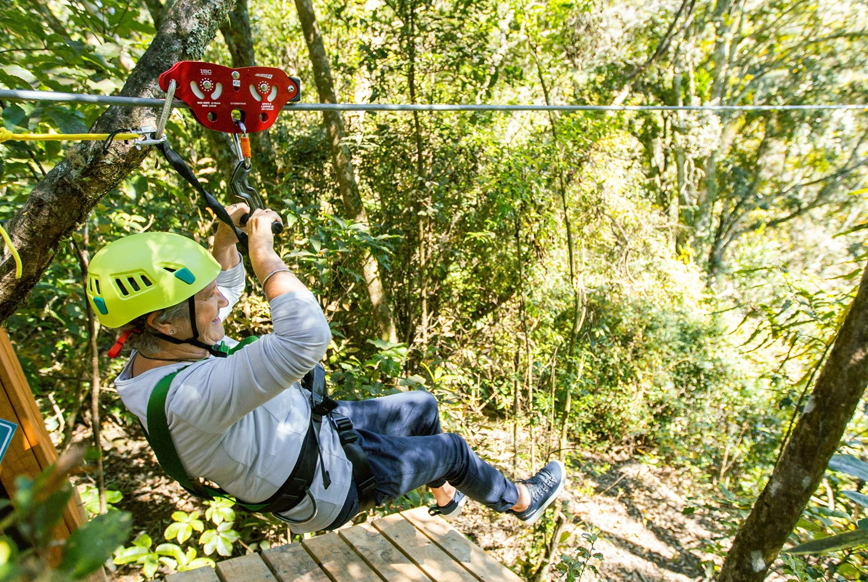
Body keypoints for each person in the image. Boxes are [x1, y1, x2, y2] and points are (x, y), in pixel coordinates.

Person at [88, 203, 565, 533]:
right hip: (325, 483)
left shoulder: (160, 349)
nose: (221, 301)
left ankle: (445, 496)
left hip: (311, 431)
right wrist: (265, 258)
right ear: (164, 323)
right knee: (452, 451)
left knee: (422, 406)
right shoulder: (189, 397)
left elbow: (221, 293)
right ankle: (522, 501)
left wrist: (221, 244)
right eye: (205, 298)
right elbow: (307, 337)